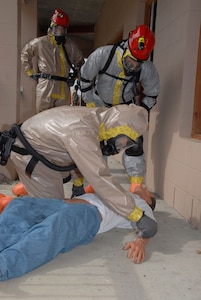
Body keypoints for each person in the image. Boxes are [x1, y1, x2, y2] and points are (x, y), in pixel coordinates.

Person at [1, 103, 149, 223]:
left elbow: (75, 159)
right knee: (51, 212)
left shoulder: (95, 120)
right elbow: (99, 176)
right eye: (125, 140)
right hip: (31, 157)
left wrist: (78, 186)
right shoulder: (82, 132)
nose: (122, 146)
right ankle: (7, 202)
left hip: (45, 153)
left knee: (57, 204)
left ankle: (29, 187)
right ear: (119, 127)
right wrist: (136, 215)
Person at [0, 187, 157, 281]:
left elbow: (150, 226)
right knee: (20, 205)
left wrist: (141, 242)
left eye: (147, 190)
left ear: (149, 200)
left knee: (48, 232)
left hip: (88, 215)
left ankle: (4, 266)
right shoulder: (119, 189)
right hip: (62, 204)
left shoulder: (142, 205)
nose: (143, 186)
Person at [80, 25, 160, 194]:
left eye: (138, 63)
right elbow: (85, 78)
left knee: (135, 143)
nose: (133, 66)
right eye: (131, 60)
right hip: (99, 105)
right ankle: (94, 184)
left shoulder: (147, 69)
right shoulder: (104, 55)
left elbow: (152, 94)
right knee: (96, 146)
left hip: (125, 108)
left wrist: (140, 112)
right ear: (126, 47)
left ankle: (136, 183)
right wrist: (90, 105)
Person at [21, 8, 85, 113]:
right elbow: (25, 53)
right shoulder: (41, 42)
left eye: (62, 29)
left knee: (60, 117)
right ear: (52, 27)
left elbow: (80, 62)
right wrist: (30, 72)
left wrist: (76, 76)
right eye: (57, 28)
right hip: (46, 85)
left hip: (63, 86)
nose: (60, 32)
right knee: (41, 116)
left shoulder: (70, 46)